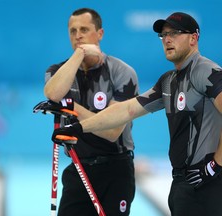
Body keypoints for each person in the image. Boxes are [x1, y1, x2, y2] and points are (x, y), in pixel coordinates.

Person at [52, 12, 222, 216]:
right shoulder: (168, 81)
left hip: (209, 184)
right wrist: (77, 128)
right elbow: (126, 110)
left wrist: (215, 165)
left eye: (175, 33)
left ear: (193, 38)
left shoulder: (206, 71)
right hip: (182, 184)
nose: (167, 39)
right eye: (164, 35)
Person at [44, 7, 139, 216]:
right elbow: (52, 93)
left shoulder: (122, 72)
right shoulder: (57, 71)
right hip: (78, 168)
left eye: (84, 29)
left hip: (116, 169)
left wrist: (67, 105)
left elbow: (112, 131)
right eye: (72, 31)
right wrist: (79, 54)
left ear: (100, 34)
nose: (78, 35)